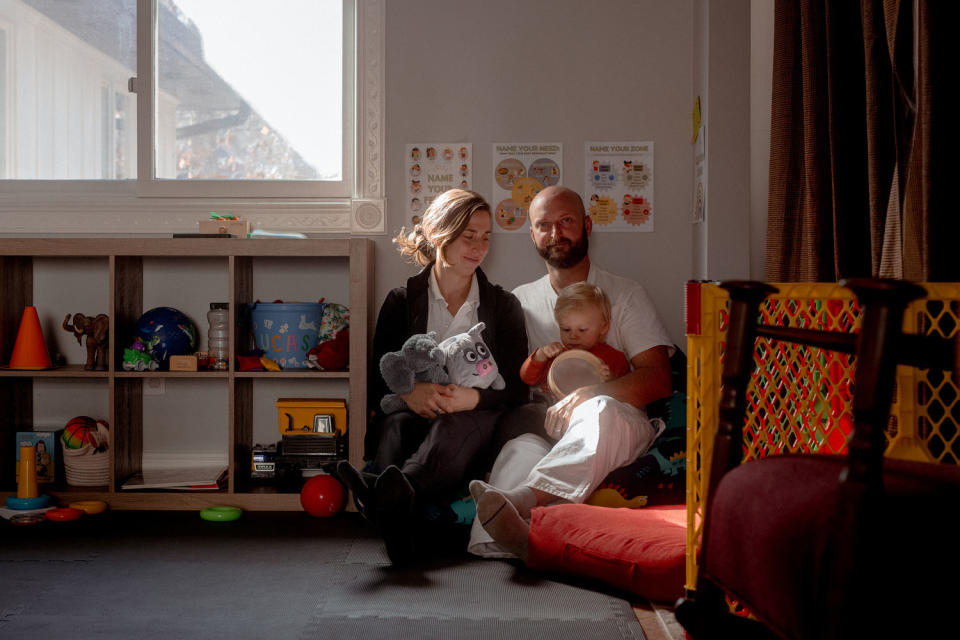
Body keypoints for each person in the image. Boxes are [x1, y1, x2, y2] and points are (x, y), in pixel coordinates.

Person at [469, 185, 674, 560]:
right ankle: (512, 542)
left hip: (617, 423)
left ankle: (522, 503)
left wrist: (594, 393)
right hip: (548, 426)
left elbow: (659, 378)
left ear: (587, 226)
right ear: (531, 235)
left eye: (566, 221)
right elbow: (513, 381)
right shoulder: (519, 301)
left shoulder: (625, 294)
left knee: (600, 412)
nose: (555, 233)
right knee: (518, 449)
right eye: (543, 225)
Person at [337, 188, 528, 565]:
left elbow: (520, 390)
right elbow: (378, 379)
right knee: (395, 426)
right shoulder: (400, 301)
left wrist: (471, 398)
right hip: (414, 415)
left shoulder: (503, 306)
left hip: (474, 420)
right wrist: (410, 394)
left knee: (451, 427)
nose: (478, 247)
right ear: (440, 234)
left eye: (485, 237)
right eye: (467, 236)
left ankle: (381, 496)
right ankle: (395, 519)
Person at [520, 282, 630, 397]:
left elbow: (627, 393)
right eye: (566, 329)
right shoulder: (556, 356)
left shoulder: (615, 358)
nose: (573, 336)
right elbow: (527, 378)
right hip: (558, 411)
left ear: (603, 328)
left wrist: (610, 380)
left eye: (582, 330)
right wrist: (540, 355)